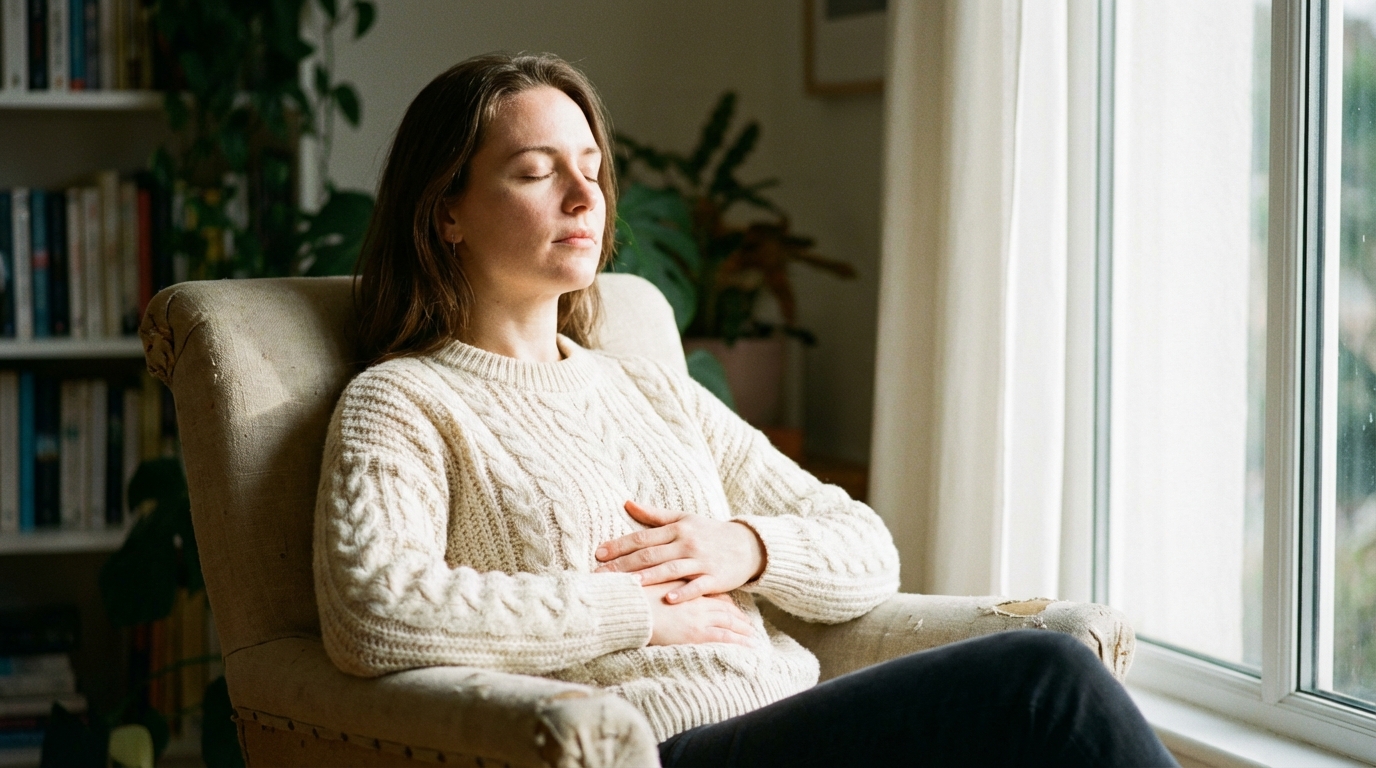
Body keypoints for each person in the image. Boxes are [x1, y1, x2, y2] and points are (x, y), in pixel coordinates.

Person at [313, 52, 1177, 768]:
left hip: (787, 714)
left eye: (593, 169)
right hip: (664, 745)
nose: (583, 196)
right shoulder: (405, 401)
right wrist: (636, 612)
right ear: (447, 212)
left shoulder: (646, 387)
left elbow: (866, 547)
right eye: (536, 172)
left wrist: (745, 546)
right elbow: (377, 610)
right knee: (1044, 681)